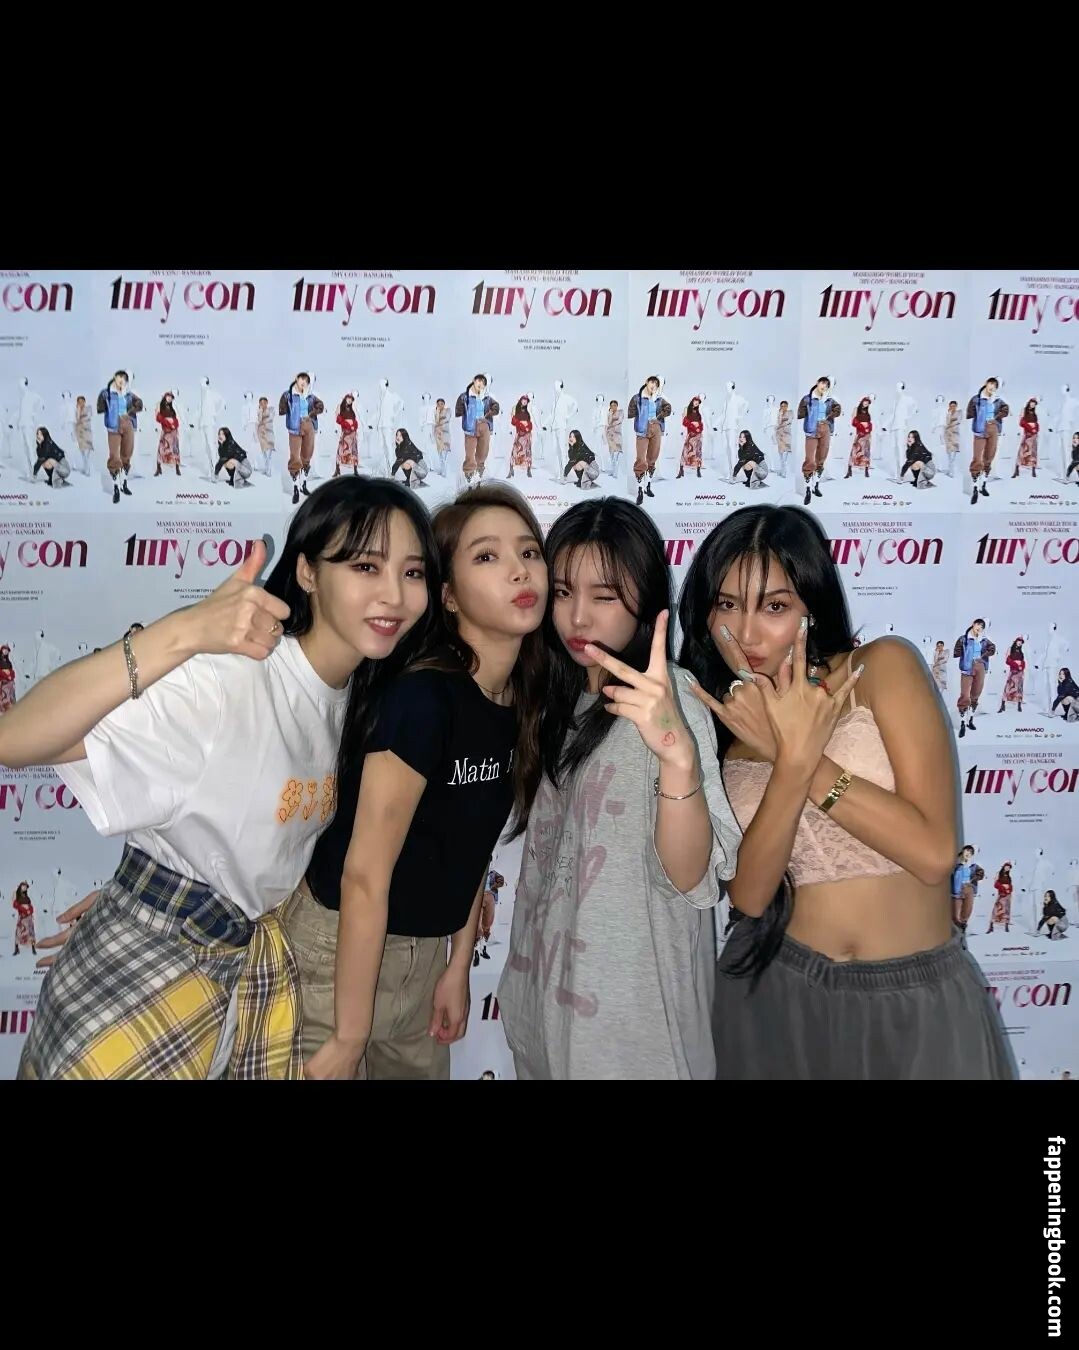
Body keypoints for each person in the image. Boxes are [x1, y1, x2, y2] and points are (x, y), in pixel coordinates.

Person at [3, 476, 440, 1080]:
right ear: (308, 572)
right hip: (140, 993)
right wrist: (184, 632)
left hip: (229, 983)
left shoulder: (354, 700)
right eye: (366, 566)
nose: (393, 594)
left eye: (412, 573)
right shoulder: (234, 677)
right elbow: (15, 739)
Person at [677, 503, 1016, 1079]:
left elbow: (934, 853)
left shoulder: (880, 668)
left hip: (913, 1003)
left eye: (775, 606)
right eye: (726, 605)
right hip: (774, 994)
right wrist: (785, 760)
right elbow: (751, 897)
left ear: (812, 606)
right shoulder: (720, 723)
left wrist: (795, 755)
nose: (747, 633)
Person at [296, 484, 548, 1079]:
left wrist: (457, 966)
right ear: (448, 595)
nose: (519, 570)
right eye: (487, 556)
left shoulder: (517, 699)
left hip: (425, 958)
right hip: (340, 952)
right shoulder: (424, 697)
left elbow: (470, 844)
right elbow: (364, 875)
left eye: (529, 552)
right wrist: (349, 1036)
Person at [497, 497, 741, 1080]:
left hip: (636, 1040)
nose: (577, 617)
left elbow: (691, 876)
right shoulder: (558, 698)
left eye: (604, 597)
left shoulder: (670, 703)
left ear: (647, 602)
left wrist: (677, 757)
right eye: (563, 592)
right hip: (548, 1017)